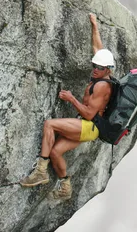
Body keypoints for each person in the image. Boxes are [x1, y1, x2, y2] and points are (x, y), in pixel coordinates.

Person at [19, 13, 115, 201]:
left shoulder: (103, 86)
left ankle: (40, 171)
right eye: (94, 65)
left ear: (108, 69)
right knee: (55, 151)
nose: (95, 68)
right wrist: (94, 25)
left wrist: (71, 99)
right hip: (89, 127)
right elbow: (98, 47)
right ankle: (65, 187)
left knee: (49, 124)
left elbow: (88, 113)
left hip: (89, 126)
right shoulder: (101, 73)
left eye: (99, 67)